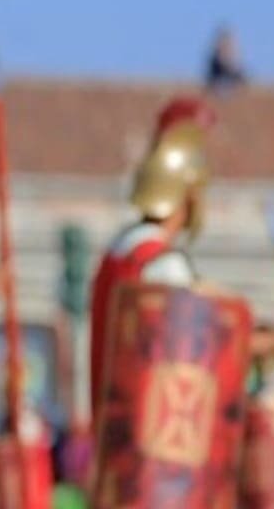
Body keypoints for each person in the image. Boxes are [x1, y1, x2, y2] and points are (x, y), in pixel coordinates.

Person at [88, 97, 212, 418]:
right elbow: (187, 350)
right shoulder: (163, 263)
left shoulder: (119, 251)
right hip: (151, 427)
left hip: (110, 426)